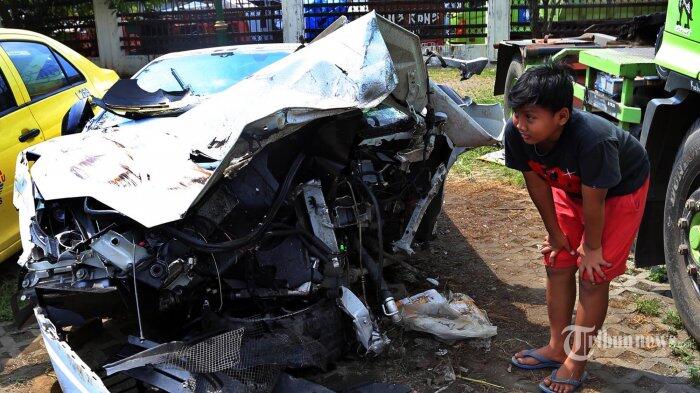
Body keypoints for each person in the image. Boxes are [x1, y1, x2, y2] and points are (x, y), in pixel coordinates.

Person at [503, 62, 650, 393]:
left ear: (562, 117)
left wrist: (592, 248)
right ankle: (557, 347)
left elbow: (595, 202)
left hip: (618, 190)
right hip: (569, 187)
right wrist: (556, 235)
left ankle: (576, 361)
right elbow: (537, 184)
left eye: (530, 117)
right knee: (556, 261)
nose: (519, 124)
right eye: (517, 114)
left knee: (593, 276)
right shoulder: (516, 134)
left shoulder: (592, 140)